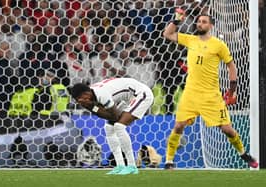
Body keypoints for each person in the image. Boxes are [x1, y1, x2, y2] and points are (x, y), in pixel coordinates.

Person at [162, 14, 258, 169]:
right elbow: (167, 34)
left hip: (211, 95)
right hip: (191, 93)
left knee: (227, 130)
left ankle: (243, 154)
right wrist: (177, 20)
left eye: (204, 22)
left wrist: (232, 89)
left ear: (211, 26)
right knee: (179, 126)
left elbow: (231, 66)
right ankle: (169, 161)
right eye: (199, 22)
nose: (200, 24)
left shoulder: (219, 45)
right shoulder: (190, 39)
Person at [70, 77, 154, 174]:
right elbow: (104, 114)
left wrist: (92, 107)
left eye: (80, 99)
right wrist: (92, 107)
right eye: (77, 100)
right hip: (127, 99)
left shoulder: (101, 94)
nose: (80, 102)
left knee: (119, 126)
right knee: (109, 128)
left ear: (86, 94)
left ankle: (132, 166)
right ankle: (120, 165)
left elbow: (114, 116)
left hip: (141, 94)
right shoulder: (90, 96)